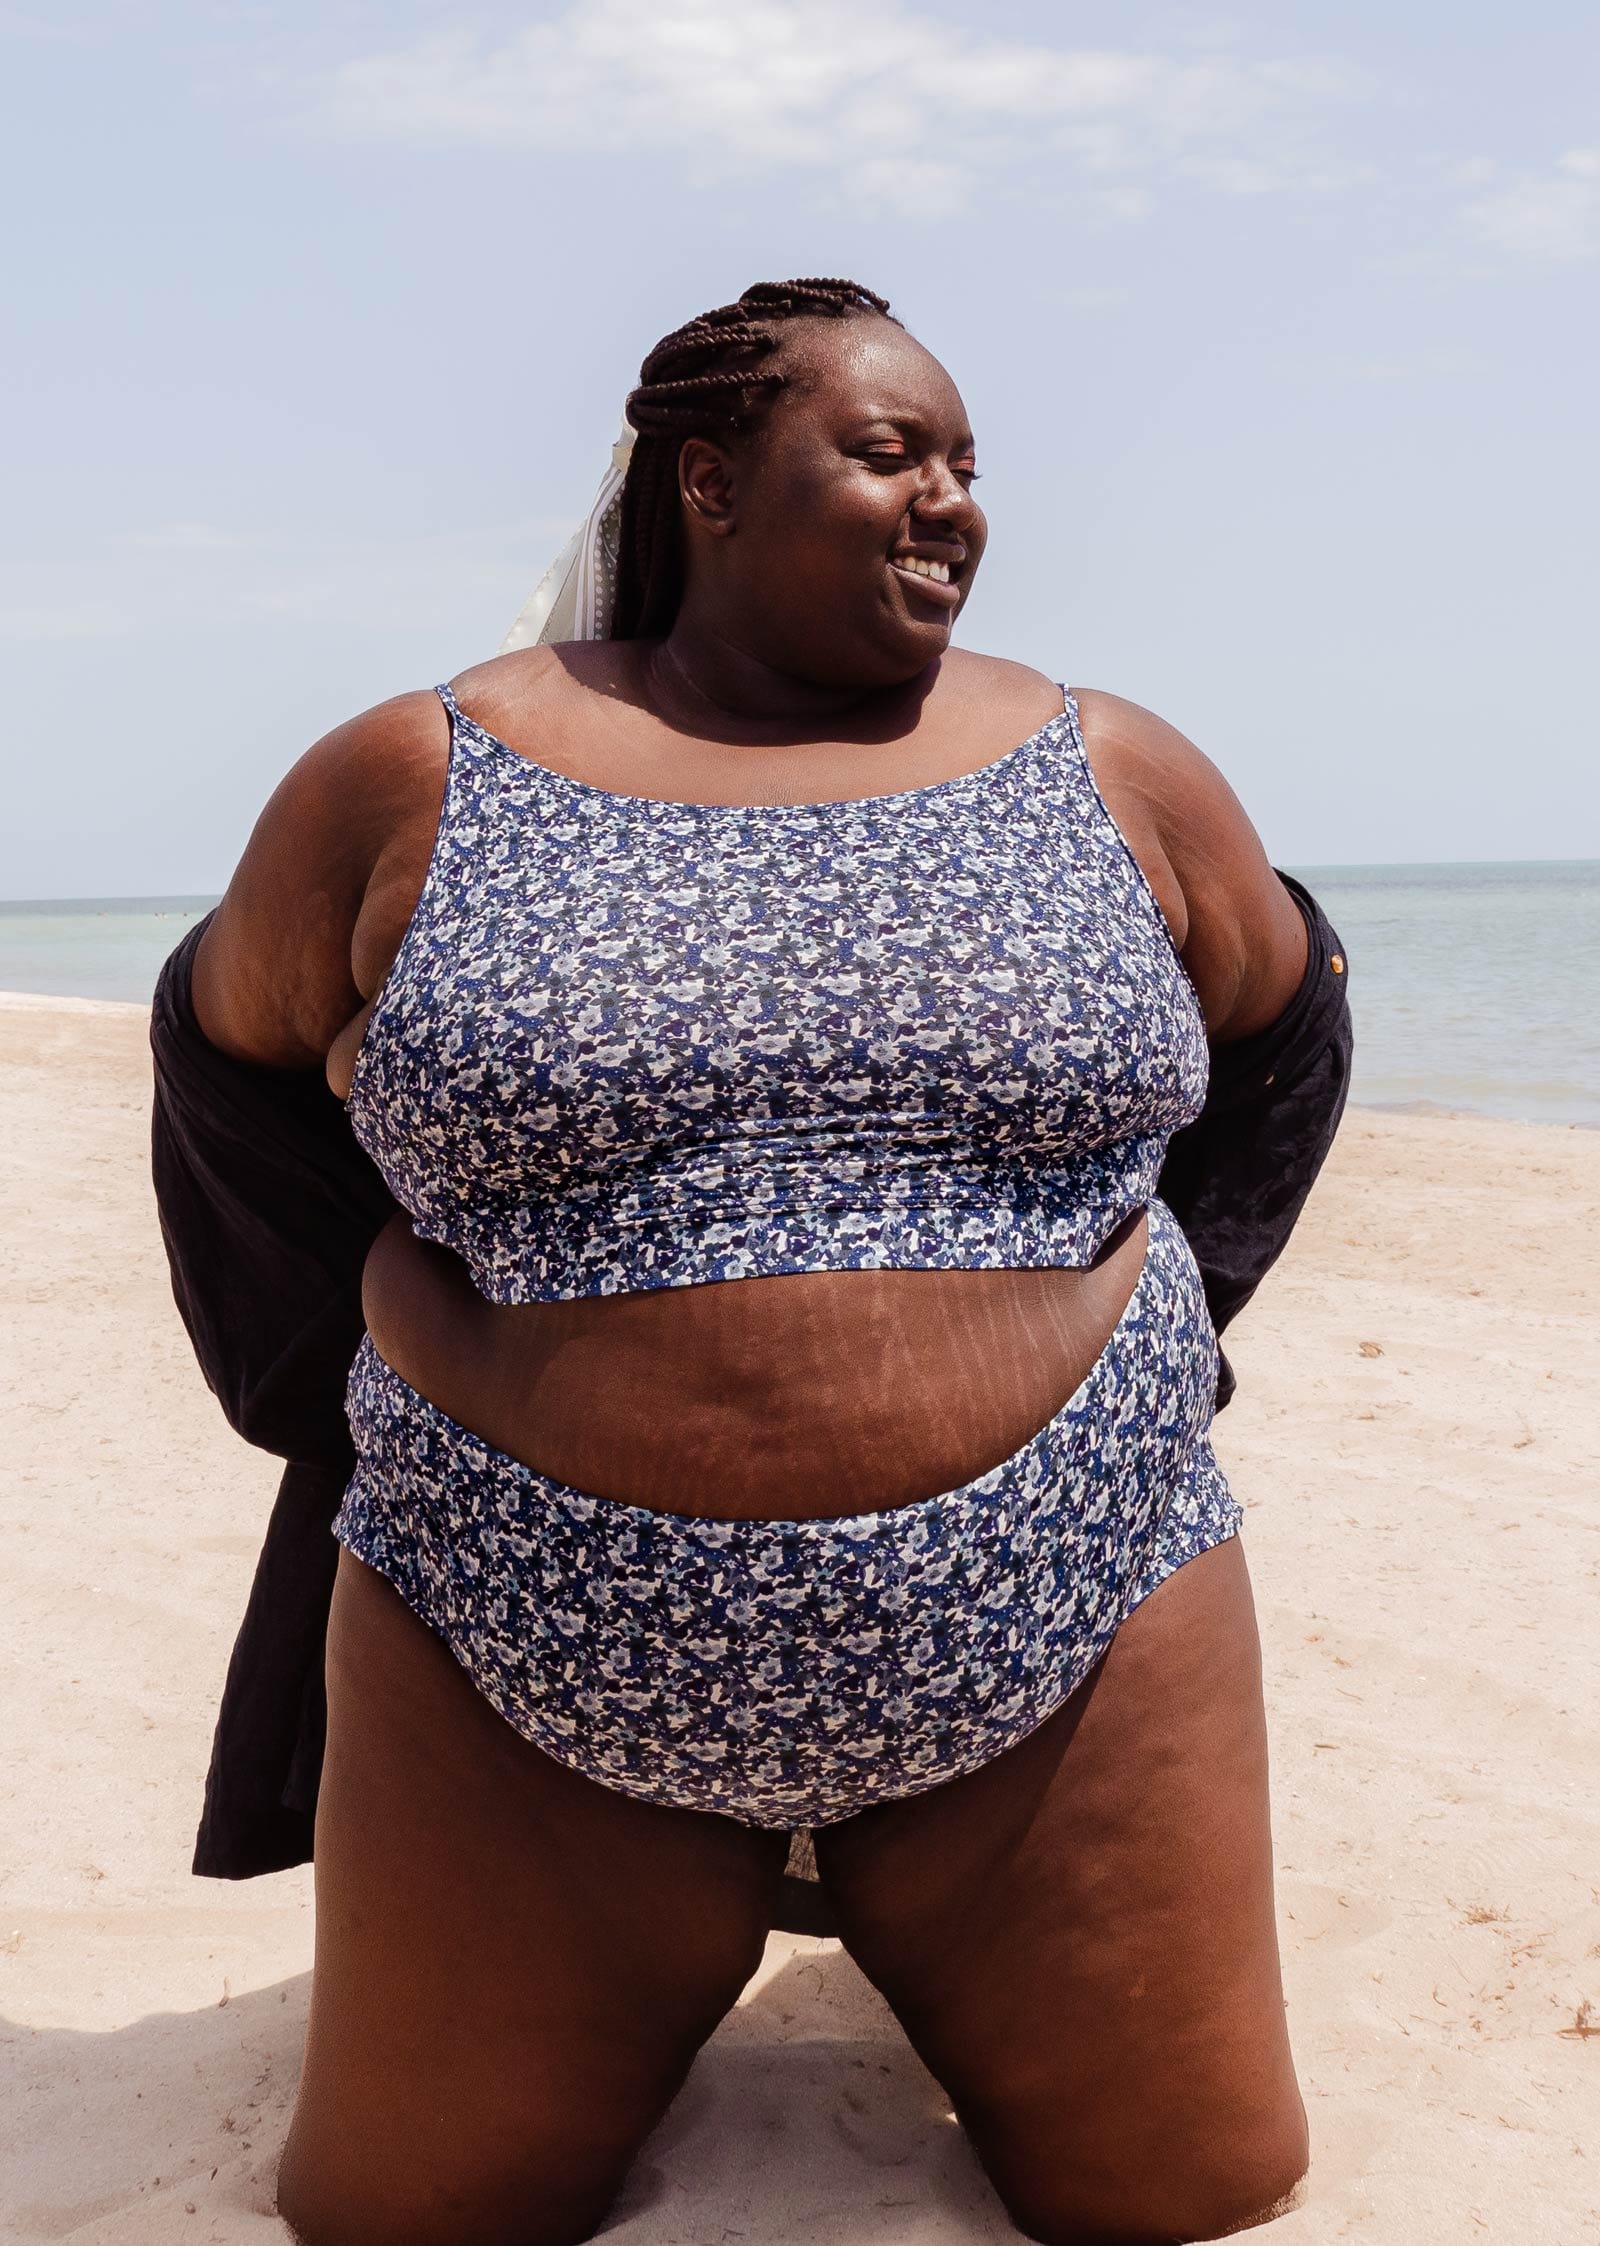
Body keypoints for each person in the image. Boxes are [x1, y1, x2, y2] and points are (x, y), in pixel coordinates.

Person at [187, 277, 1324, 2245]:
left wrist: (1167, 1320)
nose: (945, 500)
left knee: (1191, 2193)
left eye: (966, 465)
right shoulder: (419, 773)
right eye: (888, 454)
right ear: (707, 481)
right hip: (508, 1612)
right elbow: (231, 1070)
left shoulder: (1108, 766)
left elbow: (1282, 1032)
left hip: (1073, 1590)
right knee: (400, 2215)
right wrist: (331, 1374)